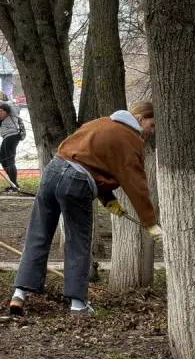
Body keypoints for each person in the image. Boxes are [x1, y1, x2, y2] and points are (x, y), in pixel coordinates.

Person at [9, 103, 160, 317]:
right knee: (78, 242)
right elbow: (136, 183)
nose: (151, 131)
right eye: (152, 125)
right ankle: (78, 304)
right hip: (77, 183)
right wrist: (150, 223)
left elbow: (90, 160)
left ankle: (19, 294)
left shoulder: (102, 122)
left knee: (38, 234)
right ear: (141, 118)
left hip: (53, 170)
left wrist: (108, 200)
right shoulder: (131, 140)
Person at [0, 100, 25, 188]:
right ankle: (13, 183)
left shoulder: (12, 108)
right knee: (2, 159)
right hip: (7, 137)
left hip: (11, 136)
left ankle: (14, 185)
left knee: (10, 161)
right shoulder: (9, 109)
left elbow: (2, 103)